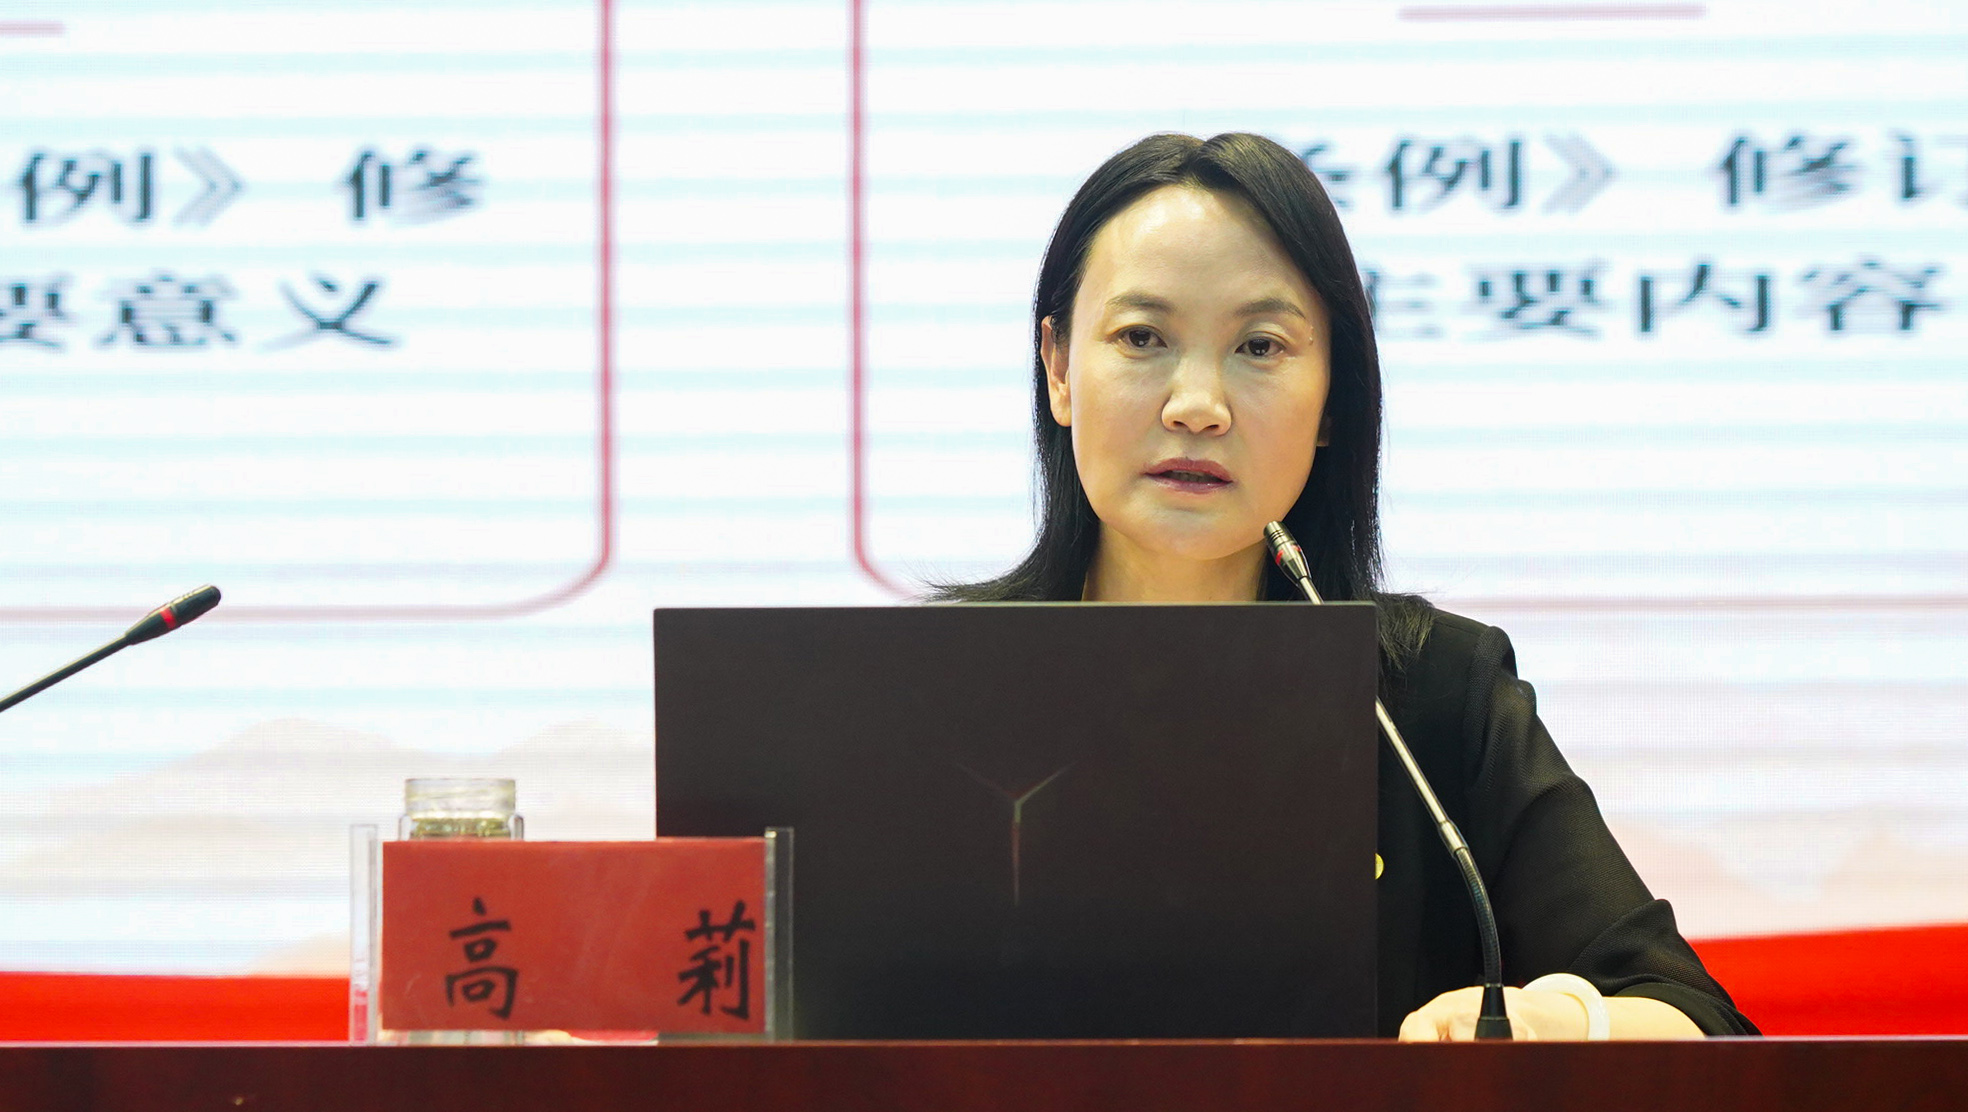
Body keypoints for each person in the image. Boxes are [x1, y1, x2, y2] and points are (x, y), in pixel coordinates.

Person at [929, 132, 1756, 1040]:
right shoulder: (932, 689)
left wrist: (1550, 1022)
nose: (1197, 404)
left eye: (1259, 345)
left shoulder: (1432, 695)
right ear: (1058, 368)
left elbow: (1698, 1022)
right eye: (1142, 338)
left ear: (1332, 401)